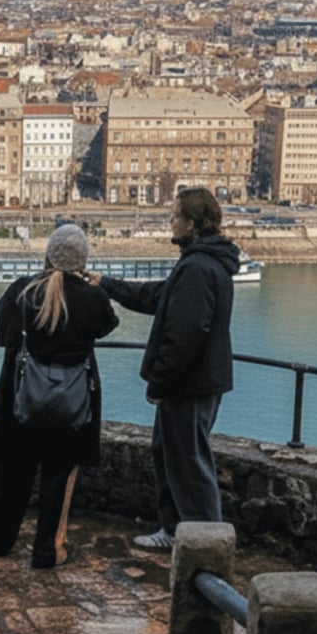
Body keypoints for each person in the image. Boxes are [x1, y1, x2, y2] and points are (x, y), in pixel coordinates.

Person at [87, 187, 240, 550]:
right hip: (197, 381)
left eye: (174, 216)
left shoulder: (199, 268)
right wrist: (106, 284)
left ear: (190, 222)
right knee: (172, 454)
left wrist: (160, 381)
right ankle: (175, 531)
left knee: (188, 463)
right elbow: (159, 297)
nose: (170, 221)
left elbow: (184, 334)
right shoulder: (200, 263)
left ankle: (204, 545)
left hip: (189, 384)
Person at [0, 223, 119, 568]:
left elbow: (2, 334)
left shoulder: (22, 291)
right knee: (57, 477)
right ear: (82, 260)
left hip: (21, 403)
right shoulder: (93, 298)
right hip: (70, 407)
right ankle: (46, 550)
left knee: (12, 476)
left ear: (47, 254)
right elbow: (107, 324)